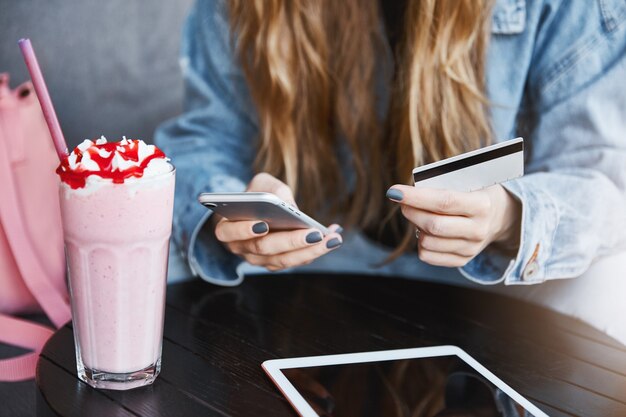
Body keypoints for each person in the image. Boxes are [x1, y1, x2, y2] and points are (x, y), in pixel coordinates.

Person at [156, 0, 626, 342]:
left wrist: (506, 215)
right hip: (319, 254)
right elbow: (206, 140)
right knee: (158, 260)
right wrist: (233, 210)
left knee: (610, 287)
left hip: (492, 270)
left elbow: (601, 180)